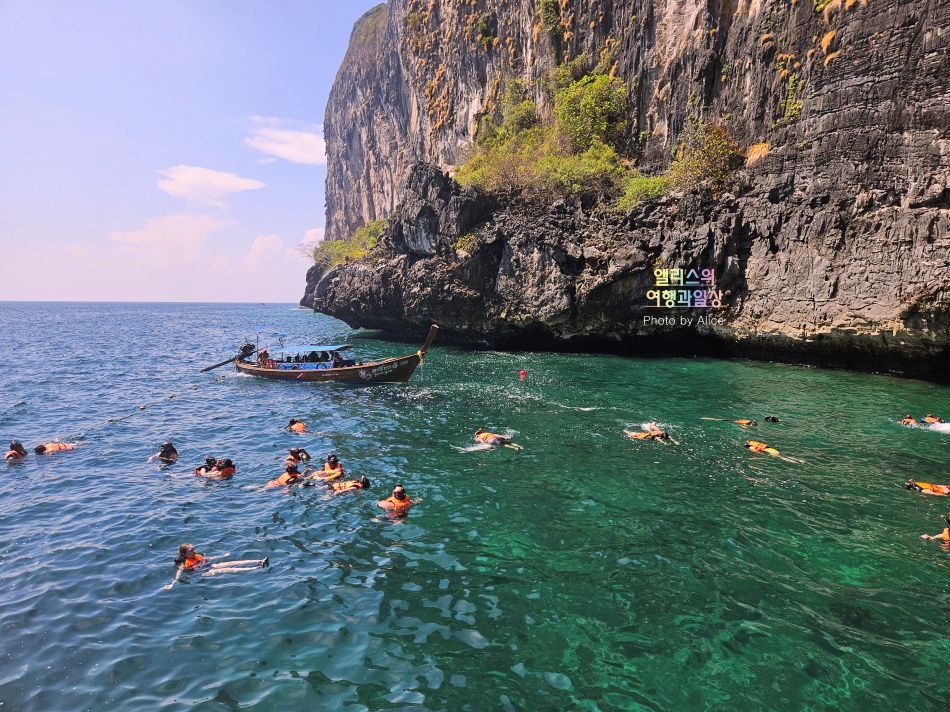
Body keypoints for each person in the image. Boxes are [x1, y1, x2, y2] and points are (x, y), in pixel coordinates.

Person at [162, 543, 268, 590]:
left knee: (231, 563)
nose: (194, 551)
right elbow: (179, 573)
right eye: (191, 551)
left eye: (194, 549)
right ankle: (256, 568)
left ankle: (259, 560)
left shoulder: (196, 556)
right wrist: (172, 584)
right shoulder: (183, 563)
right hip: (202, 572)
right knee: (228, 569)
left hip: (208, 565)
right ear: (184, 554)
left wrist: (223, 556)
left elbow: (208, 559)